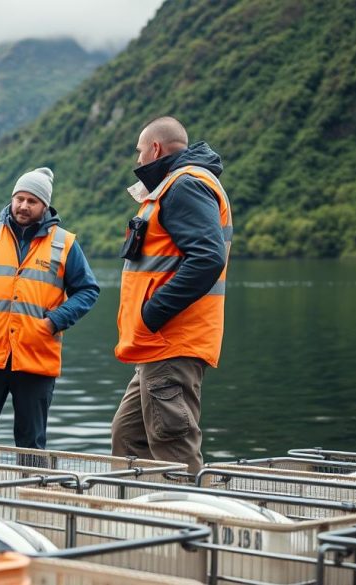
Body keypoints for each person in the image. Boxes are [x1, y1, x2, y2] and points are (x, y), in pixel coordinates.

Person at [111, 116, 232, 474]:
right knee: (128, 436)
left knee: (173, 443)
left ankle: (193, 524)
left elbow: (208, 258)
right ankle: (144, 514)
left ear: (156, 149)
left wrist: (153, 312)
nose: (137, 161)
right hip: (156, 344)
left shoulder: (184, 186)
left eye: (139, 151)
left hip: (171, 340)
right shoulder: (172, 187)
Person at [0, 167, 99, 449]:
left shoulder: (64, 243)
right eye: (19, 198)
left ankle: (32, 491)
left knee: (31, 444)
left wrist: (53, 322)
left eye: (32, 201)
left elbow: (88, 290)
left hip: (36, 356)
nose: (23, 206)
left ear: (45, 205)